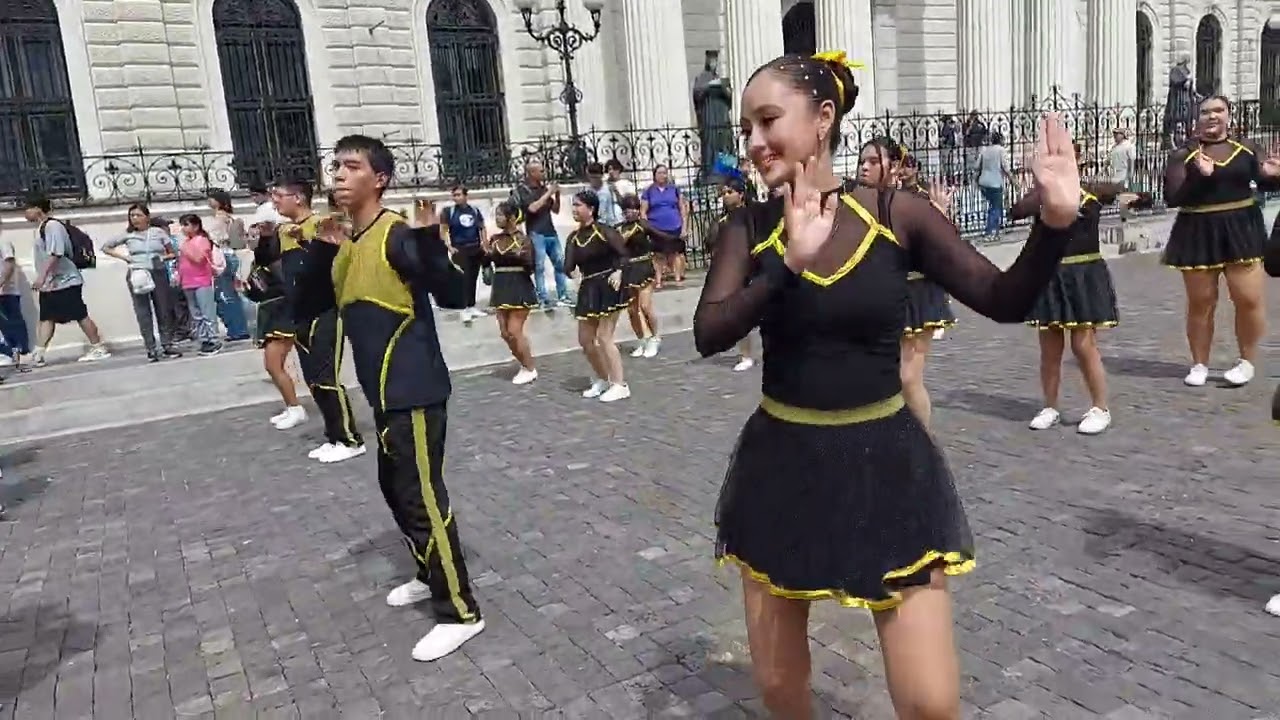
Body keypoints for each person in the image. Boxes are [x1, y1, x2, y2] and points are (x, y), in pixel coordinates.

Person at [693, 49, 1081, 719]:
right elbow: (709, 332)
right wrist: (786, 265)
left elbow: (1004, 297)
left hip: (888, 466)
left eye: (767, 120)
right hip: (781, 466)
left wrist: (1052, 225)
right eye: (747, 128)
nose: (752, 143)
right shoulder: (749, 228)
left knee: (931, 703)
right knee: (784, 692)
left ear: (823, 119)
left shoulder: (896, 214)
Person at [321, 134, 484, 662]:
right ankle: (425, 571)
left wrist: (431, 240)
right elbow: (309, 307)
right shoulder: (349, 244)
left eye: (351, 167)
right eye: (336, 167)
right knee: (395, 490)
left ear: (380, 179)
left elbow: (456, 294)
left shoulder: (396, 236)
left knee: (422, 495)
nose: (339, 176)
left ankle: (459, 610)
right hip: (384, 398)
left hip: (413, 391)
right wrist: (314, 253)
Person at [1161, 94, 1280, 388]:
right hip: (1197, 229)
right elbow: (1173, 198)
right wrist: (1199, 177)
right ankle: (1199, 363)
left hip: (1242, 227)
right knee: (1201, 302)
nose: (1212, 116)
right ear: (1196, 118)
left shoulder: (1248, 147)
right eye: (1205, 112)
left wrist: (1275, 175)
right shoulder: (1183, 154)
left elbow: (1263, 179)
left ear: (1228, 115)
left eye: (1219, 110)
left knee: (1248, 299)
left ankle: (1246, 361)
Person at [1013, 184, 1147, 435]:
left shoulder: (1093, 191)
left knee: (1083, 345)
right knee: (1050, 348)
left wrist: (1134, 199)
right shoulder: (1042, 195)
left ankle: (1100, 407)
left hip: (1083, 274)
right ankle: (1050, 406)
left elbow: (1135, 196)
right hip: (1050, 274)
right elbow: (1017, 211)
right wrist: (1042, 193)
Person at [866, 141, 958, 428]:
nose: (865, 167)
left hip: (918, 294)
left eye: (873, 161)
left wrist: (941, 214)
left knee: (909, 377)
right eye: (863, 162)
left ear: (892, 166)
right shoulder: (864, 203)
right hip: (884, 293)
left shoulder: (918, 200)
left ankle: (924, 445)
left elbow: (945, 246)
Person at [275, 179, 365, 463]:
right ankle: (334, 435)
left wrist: (308, 241)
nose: (274, 201)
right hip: (299, 313)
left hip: (325, 311)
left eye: (279, 195)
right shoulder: (281, 231)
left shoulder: (324, 224)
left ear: (298, 198)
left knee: (326, 379)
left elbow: (336, 263)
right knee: (313, 381)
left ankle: (351, 439)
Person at [22, 193, 110, 366]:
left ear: (38, 209)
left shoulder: (52, 226)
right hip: (52, 283)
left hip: (64, 281)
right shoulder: (43, 227)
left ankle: (98, 346)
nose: (25, 214)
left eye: (27, 209)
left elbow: (56, 253)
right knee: (47, 317)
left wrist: (42, 277)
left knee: (80, 314)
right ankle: (39, 353)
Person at [565, 190, 631, 403]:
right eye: (573, 205)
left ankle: (620, 384)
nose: (574, 209)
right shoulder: (574, 237)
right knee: (585, 340)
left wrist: (619, 271)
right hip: (588, 287)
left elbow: (623, 254)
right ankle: (603, 378)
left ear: (591, 209)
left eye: (578, 205)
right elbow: (569, 266)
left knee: (604, 336)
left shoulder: (604, 231)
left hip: (608, 285)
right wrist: (571, 273)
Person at [249, 204, 307, 430]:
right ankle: (291, 406)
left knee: (274, 365)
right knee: (273, 365)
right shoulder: (263, 252)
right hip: (271, 310)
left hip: (281, 312)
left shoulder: (278, 252)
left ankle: (295, 408)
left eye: (258, 227)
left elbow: (284, 283)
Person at [101, 204, 183, 362]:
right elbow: (106, 247)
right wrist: (125, 258)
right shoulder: (128, 234)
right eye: (132, 216)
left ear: (147, 217)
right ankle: (150, 348)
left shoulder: (158, 233)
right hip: (138, 273)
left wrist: (162, 258)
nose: (135, 219)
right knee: (143, 312)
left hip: (157, 271)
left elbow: (172, 252)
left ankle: (167, 344)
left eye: (138, 215)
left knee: (163, 309)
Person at [704, 177, 757, 372]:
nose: (725, 197)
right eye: (724, 193)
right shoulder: (723, 218)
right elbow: (712, 241)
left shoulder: (749, 215)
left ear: (740, 194)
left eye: (729, 192)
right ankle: (746, 354)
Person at [483, 201, 538, 385]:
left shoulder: (524, 239)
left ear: (512, 218)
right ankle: (523, 363)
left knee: (515, 330)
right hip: (500, 285)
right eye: (496, 215)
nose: (497, 218)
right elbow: (488, 259)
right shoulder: (495, 239)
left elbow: (530, 264)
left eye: (500, 215)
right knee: (505, 333)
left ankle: (530, 367)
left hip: (518, 284)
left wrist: (518, 256)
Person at [615, 194, 669, 359]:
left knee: (645, 306)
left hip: (644, 266)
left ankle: (654, 337)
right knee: (632, 309)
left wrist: (677, 240)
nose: (630, 212)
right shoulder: (618, 229)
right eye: (627, 209)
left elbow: (661, 236)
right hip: (628, 270)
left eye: (633, 208)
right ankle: (642, 339)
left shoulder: (643, 225)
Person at [511, 161, 571, 308]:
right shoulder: (523, 190)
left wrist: (556, 196)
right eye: (541, 171)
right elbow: (532, 208)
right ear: (532, 173)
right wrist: (549, 193)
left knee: (559, 264)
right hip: (536, 233)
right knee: (539, 267)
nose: (544, 174)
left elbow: (555, 210)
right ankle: (542, 297)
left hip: (551, 232)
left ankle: (563, 295)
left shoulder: (543, 189)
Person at [205, 191, 251, 342]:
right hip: (229, 255)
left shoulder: (220, 218)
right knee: (230, 294)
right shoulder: (229, 217)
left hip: (222, 256)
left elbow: (215, 237)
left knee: (225, 295)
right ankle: (238, 328)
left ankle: (237, 329)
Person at [175, 215, 224, 356]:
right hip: (188, 282)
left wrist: (185, 249)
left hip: (202, 281)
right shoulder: (186, 242)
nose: (183, 228)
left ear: (196, 226)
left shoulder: (201, 240)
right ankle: (204, 339)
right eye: (182, 225)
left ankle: (213, 339)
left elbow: (199, 258)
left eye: (186, 224)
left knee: (206, 311)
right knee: (196, 314)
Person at [440, 185, 489, 322]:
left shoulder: (474, 210)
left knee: (473, 278)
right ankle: (463, 309)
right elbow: (443, 230)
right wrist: (449, 246)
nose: (456, 198)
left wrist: (484, 243)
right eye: (454, 195)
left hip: (475, 248)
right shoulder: (448, 212)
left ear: (466, 196)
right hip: (459, 249)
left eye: (459, 195)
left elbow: (482, 227)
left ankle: (472, 306)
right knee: (463, 279)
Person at [641, 165, 689, 287]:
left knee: (676, 253)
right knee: (658, 255)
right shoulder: (649, 191)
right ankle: (658, 280)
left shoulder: (674, 189)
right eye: (660, 173)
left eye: (665, 173)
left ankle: (677, 278)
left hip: (674, 225)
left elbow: (682, 208)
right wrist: (647, 227)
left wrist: (684, 227)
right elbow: (643, 211)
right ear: (654, 175)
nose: (663, 175)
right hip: (656, 227)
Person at [0, 223, 31, 370]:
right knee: (5, 327)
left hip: (7, 292)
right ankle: (10, 355)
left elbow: (9, 265)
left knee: (13, 323)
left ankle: (22, 355)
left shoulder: (3, 241)